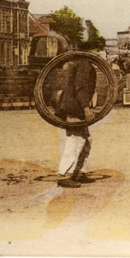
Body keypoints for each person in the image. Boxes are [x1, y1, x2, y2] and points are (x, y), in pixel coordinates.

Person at [55, 58, 98, 188]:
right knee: (76, 139)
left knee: (86, 139)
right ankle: (64, 175)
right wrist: (86, 108)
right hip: (75, 108)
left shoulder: (82, 64)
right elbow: (80, 88)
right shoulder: (84, 64)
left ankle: (78, 172)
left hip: (75, 107)